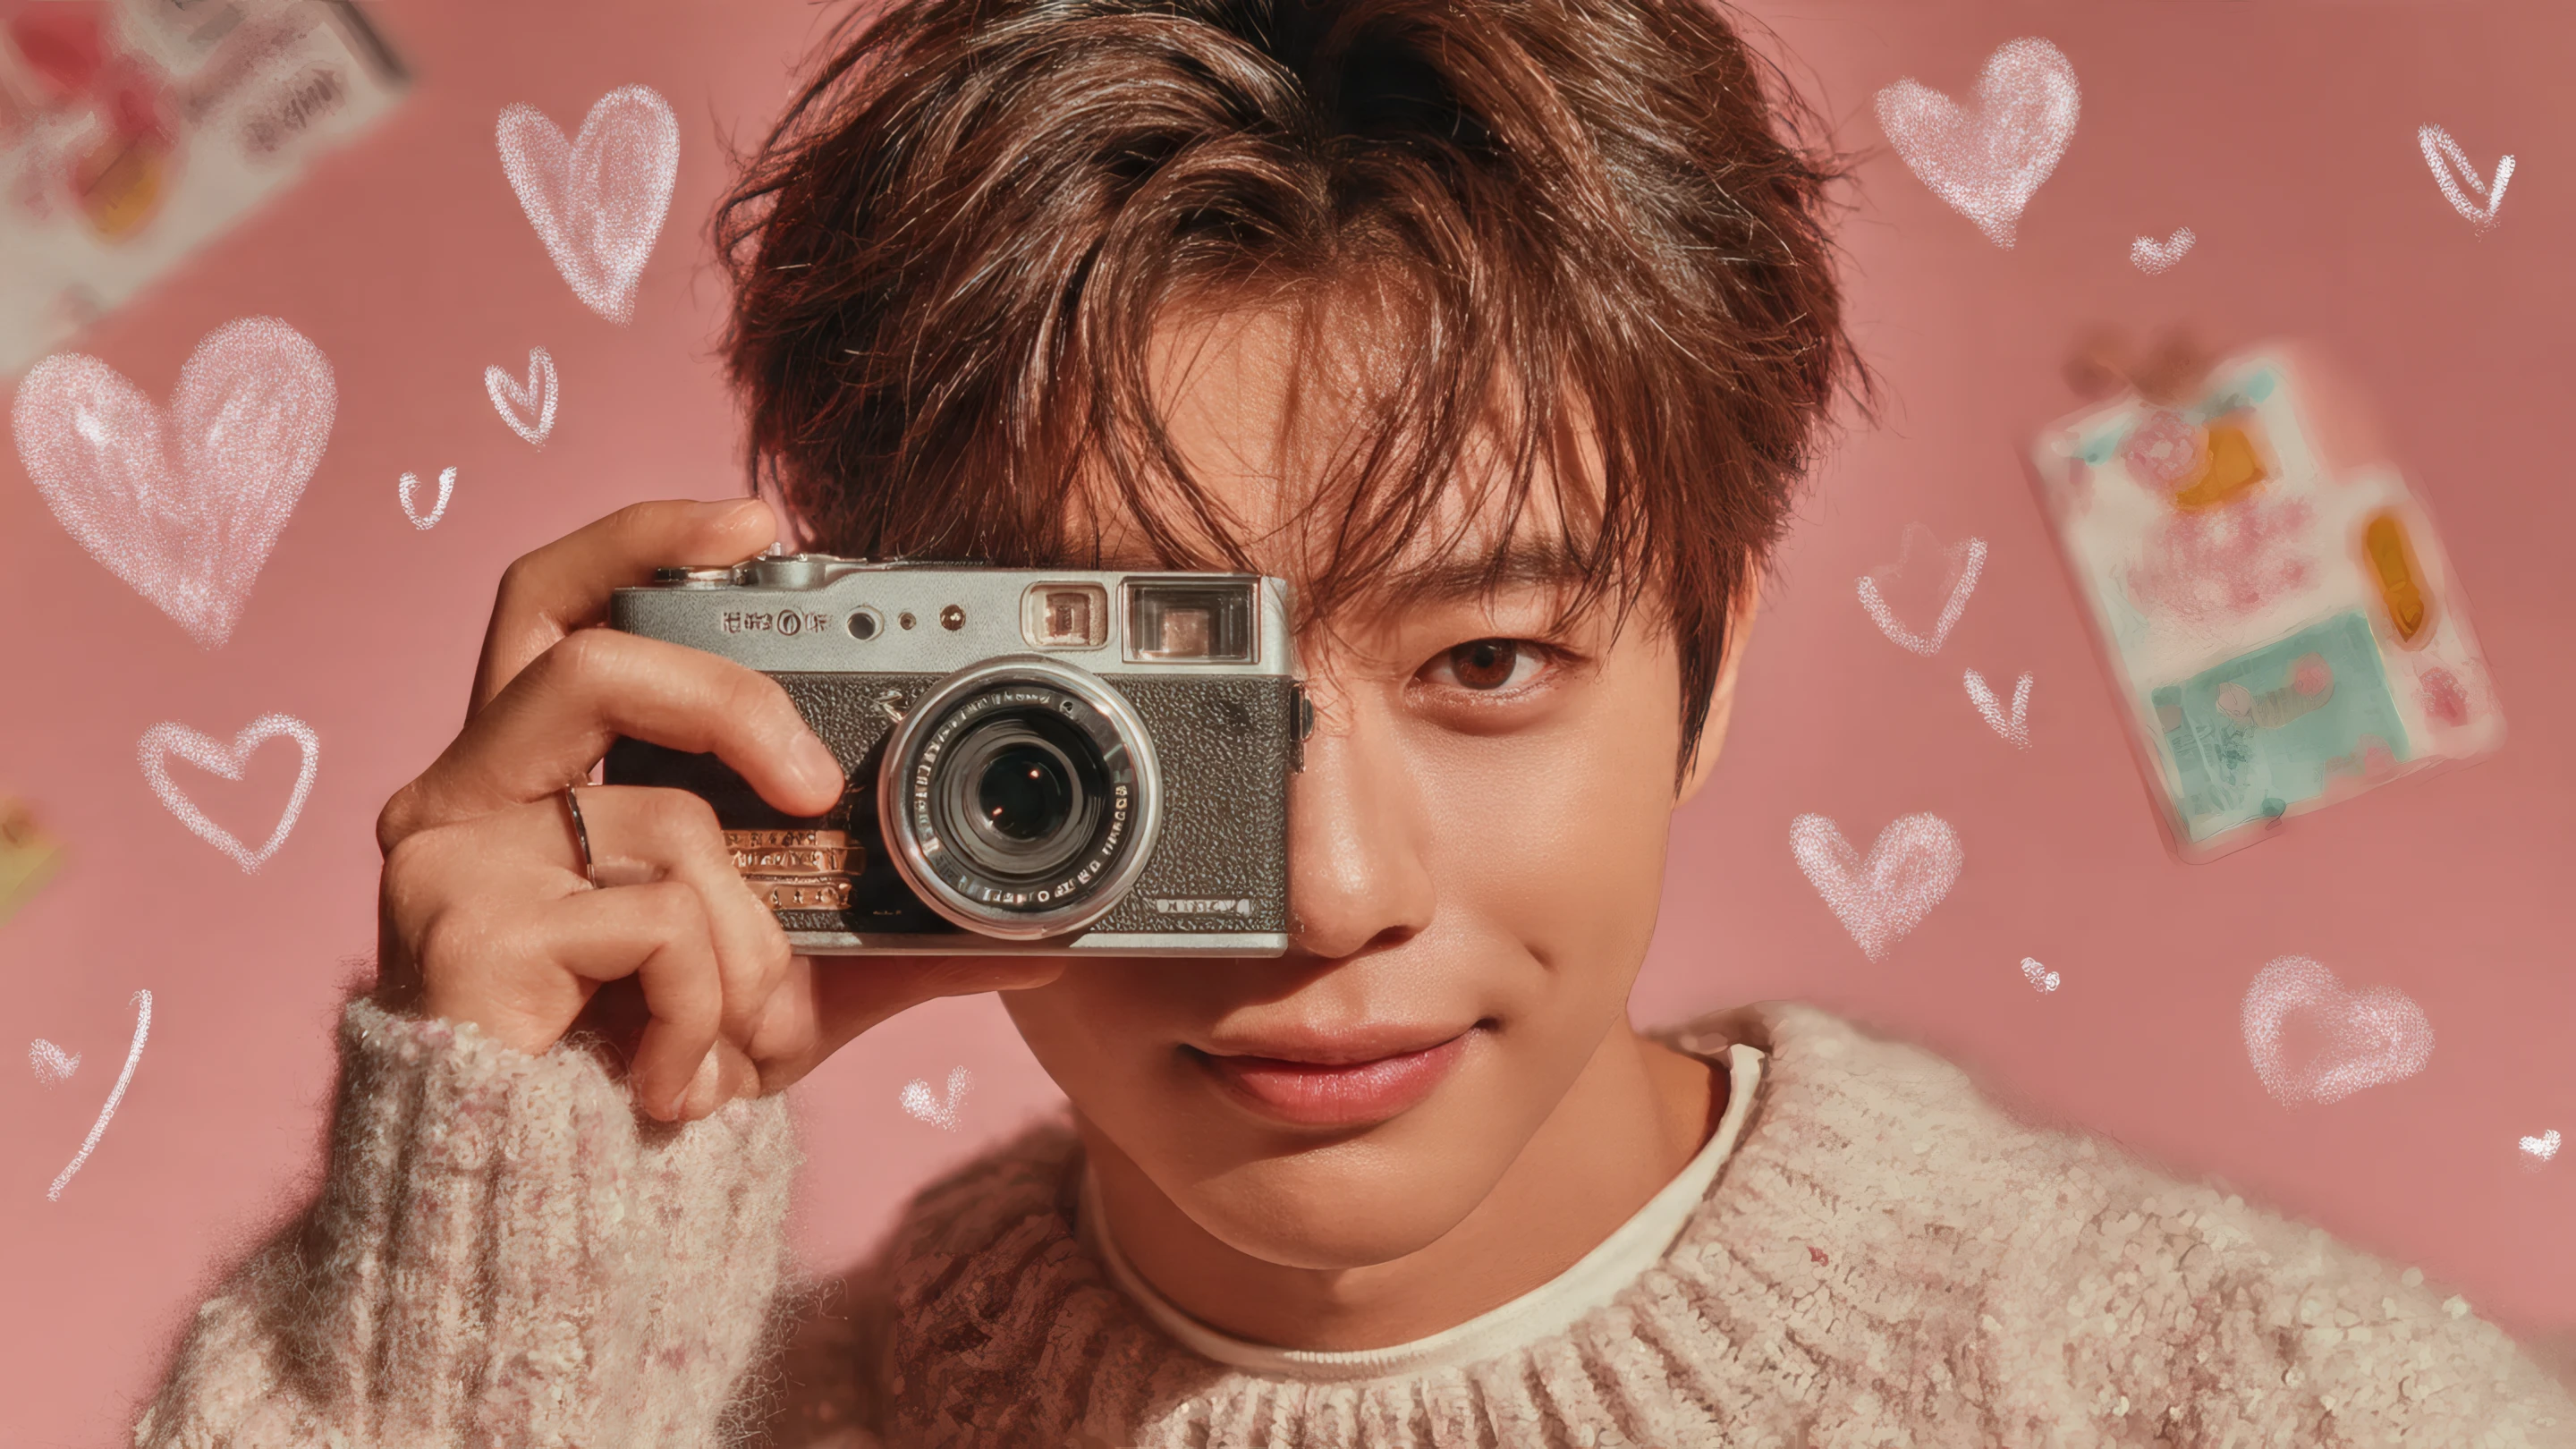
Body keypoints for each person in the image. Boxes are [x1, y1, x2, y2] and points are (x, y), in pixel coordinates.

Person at [135, 0, 2575, 1442]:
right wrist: (497, 1251)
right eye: (1126, 721)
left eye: (1489, 664)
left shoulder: (2257, 1399)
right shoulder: (641, 1405)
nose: (1326, 893)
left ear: (1704, 663)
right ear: (874, 694)